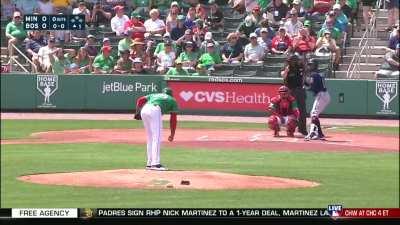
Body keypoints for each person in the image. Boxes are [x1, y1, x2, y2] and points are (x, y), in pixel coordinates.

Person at [134, 87, 179, 171]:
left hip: (144, 109)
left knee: (150, 138)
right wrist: (172, 134)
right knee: (157, 137)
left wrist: (137, 112)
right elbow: (173, 119)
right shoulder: (172, 100)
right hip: (155, 110)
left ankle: (149, 163)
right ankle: (155, 164)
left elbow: (140, 100)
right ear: (171, 94)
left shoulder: (155, 95)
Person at [281, 54, 308, 135]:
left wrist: (303, 86)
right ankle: (290, 128)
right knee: (289, 111)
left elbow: (305, 75)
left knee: (302, 111)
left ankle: (302, 129)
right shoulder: (287, 67)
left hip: (299, 90)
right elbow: (283, 75)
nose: (294, 62)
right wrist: (286, 70)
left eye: (295, 60)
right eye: (292, 60)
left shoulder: (300, 66)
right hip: (289, 90)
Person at [304, 58, 331, 140]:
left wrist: (305, 87)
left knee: (314, 114)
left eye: (311, 64)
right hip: (323, 95)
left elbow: (313, 88)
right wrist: (306, 83)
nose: (309, 66)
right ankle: (319, 133)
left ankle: (313, 133)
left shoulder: (314, 75)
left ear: (315, 65)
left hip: (321, 95)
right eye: (309, 64)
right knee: (314, 114)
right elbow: (311, 84)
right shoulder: (317, 74)